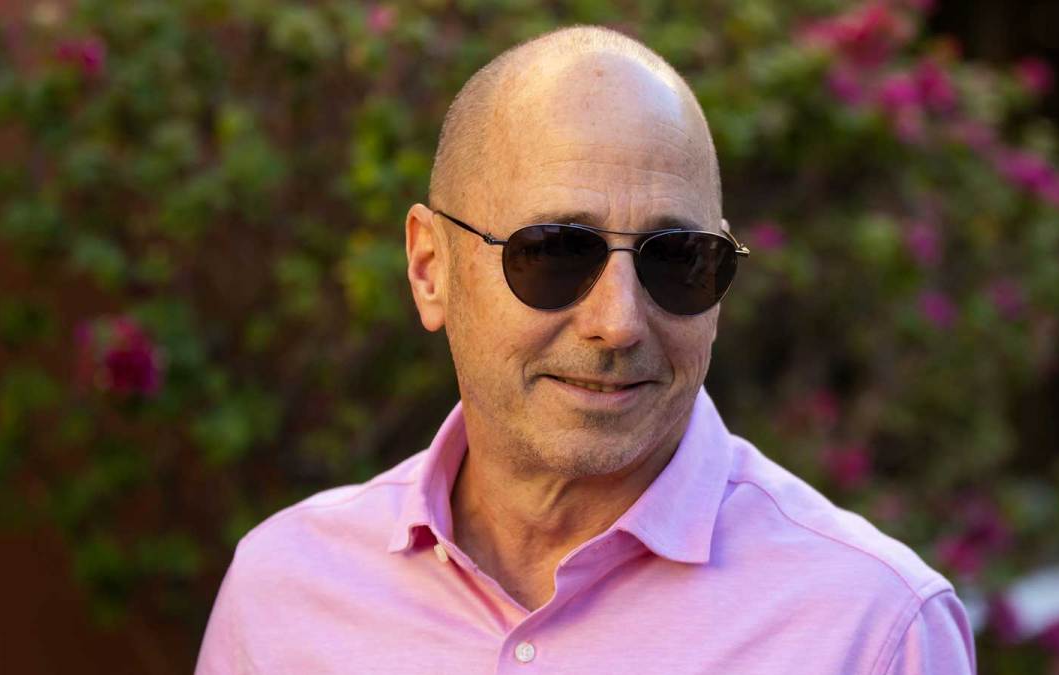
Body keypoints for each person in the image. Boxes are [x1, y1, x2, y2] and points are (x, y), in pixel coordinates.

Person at [196, 25, 976, 674]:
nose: (618, 322)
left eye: (678, 259)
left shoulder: (874, 630)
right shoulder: (283, 594)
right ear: (431, 269)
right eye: (556, 253)